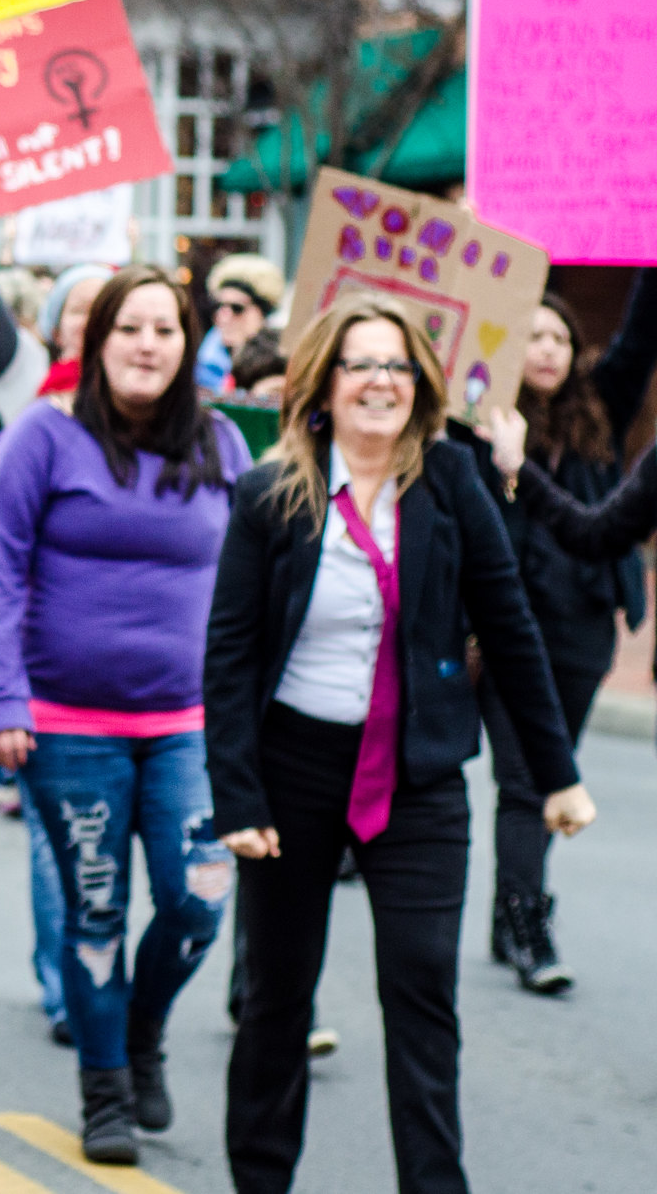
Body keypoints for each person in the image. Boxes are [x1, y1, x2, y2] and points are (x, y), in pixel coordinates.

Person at [206, 294, 594, 1194]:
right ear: (323, 388)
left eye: (396, 365)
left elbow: (510, 627)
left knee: (423, 994)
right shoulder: (272, 494)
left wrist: (556, 776)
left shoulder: (453, 482)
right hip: (293, 773)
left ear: (421, 384)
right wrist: (238, 795)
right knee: (276, 999)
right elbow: (228, 653)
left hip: (419, 779)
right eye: (359, 365)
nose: (379, 381)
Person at [0, 266, 249, 1166]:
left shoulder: (224, 444)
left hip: (189, 725)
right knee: (95, 914)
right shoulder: (42, 440)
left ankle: (141, 1029)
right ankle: (106, 1093)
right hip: (66, 726)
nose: (147, 344)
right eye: (130, 327)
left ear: (187, 344)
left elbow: (256, 582)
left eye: (167, 329)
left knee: (198, 897)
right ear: (98, 342)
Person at [451, 278, 657, 993]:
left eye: (560, 338)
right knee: (526, 780)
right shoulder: (482, 423)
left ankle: (511, 913)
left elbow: (638, 335)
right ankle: (528, 923)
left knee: (555, 768)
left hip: (586, 628)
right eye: (532, 336)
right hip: (510, 630)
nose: (547, 349)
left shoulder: (602, 408)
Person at [195, 255, 284, 394]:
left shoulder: (282, 359)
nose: (224, 317)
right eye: (218, 307)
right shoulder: (203, 365)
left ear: (261, 313)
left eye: (237, 308)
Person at [33, 263, 115, 397]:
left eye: (101, 309)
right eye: (79, 310)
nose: (91, 319)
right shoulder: (53, 392)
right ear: (56, 332)